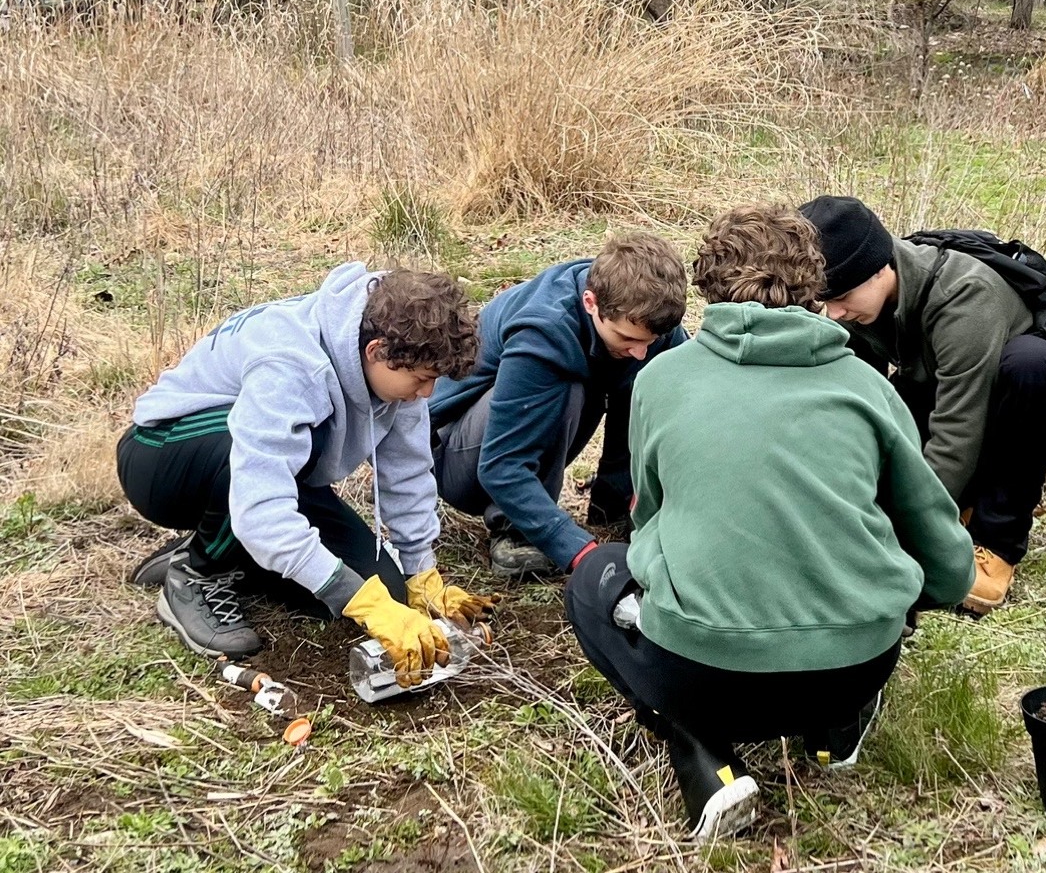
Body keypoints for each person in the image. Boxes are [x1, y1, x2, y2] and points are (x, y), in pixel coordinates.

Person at [565, 205, 973, 841]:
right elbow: (931, 529)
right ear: (814, 287)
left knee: (593, 579)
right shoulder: (866, 384)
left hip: (705, 674)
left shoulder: (660, 379)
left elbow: (648, 516)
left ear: (706, 286)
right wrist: (939, 588)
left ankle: (703, 756)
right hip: (854, 666)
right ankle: (836, 731)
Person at [120, 265, 492, 687]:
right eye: (422, 380)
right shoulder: (292, 365)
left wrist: (420, 573)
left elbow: (406, 473)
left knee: (384, 588)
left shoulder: (402, 359)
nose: (426, 394)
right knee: (252, 468)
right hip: (162, 456)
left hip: (270, 474)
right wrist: (360, 602)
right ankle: (198, 574)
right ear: (375, 351)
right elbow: (261, 503)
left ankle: (234, 546)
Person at [796, 196, 1046, 616]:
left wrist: (909, 531)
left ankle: (996, 544)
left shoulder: (965, 297)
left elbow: (958, 433)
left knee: (1028, 364)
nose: (832, 314)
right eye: (823, 300)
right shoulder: (864, 300)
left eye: (842, 297)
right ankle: (960, 508)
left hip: (1038, 405)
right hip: (946, 391)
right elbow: (852, 402)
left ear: (881, 268)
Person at [429, 234, 688, 578]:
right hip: (459, 459)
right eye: (626, 338)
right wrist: (579, 551)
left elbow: (676, 410)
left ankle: (610, 504)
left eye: (649, 341)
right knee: (568, 386)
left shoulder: (648, 318)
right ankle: (515, 529)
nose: (639, 350)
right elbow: (500, 467)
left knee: (645, 374)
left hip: (500, 447)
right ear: (590, 302)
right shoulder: (543, 333)